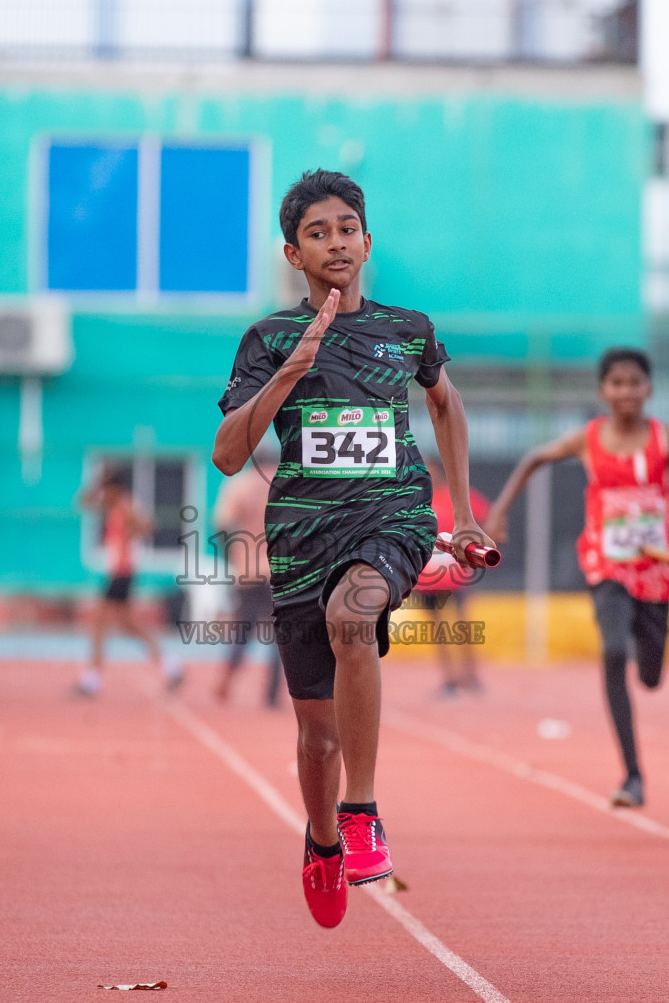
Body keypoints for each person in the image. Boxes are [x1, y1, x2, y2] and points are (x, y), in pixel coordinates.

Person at [213, 169, 491, 928]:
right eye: (316, 233)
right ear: (292, 254)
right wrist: (293, 370)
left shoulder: (407, 330)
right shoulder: (269, 339)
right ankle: (325, 838)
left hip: (392, 519)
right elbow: (228, 455)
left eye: (346, 229)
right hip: (302, 536)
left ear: (366, 241)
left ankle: (362, 811)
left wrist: (459, 515)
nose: (335, 242)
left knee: (353, 614)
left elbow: (446, 400)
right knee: (316, 732)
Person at [487, 348, 669, 808]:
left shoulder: (666, 441)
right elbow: (534, 458)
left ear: (649, 389)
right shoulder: (588, 439)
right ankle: (632, 774)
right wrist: (498, 512)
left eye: (635, 383)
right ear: (603, 391)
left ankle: (645, 640)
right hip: (606, 564)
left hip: (658, 570)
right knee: (614, 652)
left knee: (651, 676)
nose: (626, 392)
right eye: (616, 383)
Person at [70, 468, 179, 698]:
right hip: (119, 573)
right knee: (127, 626)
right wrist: (97, 483)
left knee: (100, 622)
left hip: (122, 572)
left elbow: (150, 524)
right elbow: (81, 503)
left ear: (114, 489)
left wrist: (132, 534)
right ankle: (170, 667)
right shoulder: (112, 505)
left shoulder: (125, 505)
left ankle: (92, 679)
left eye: (106, 489)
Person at [410, 457, 491, 697]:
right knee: (438, 629)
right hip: (428, 577)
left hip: (456, 575)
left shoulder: (456, 497)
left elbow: (485, 514)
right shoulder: (417, 501)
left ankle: (471, 675)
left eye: (431, 470)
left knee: (464, 626)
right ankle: (450, 678)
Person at [212, 449, 285, 708]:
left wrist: (230, 557)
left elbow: (220, 523)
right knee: (280, 636)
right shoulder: (285, 485)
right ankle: (273, 694)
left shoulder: (239, 484)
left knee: (242, 630)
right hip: (280, 570)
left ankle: (227, 681)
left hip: (247, 569)